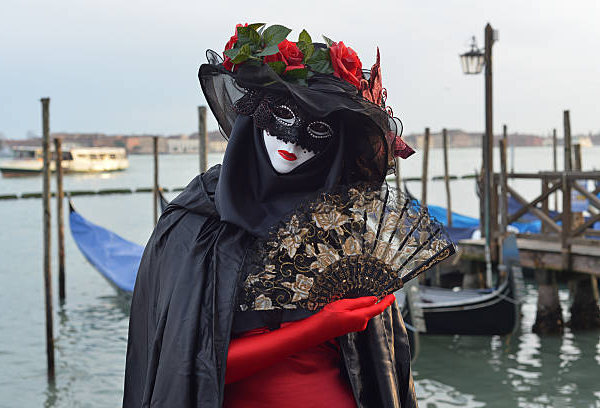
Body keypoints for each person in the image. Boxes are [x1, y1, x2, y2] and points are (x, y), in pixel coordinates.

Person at [123, 23, 419, 408]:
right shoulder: (196, 223)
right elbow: (185, 372)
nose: (292, 142)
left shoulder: (345, 225)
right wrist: (319, 327)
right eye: (281, 115)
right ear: (253, 114)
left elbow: (382, 364)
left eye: (316, 129)